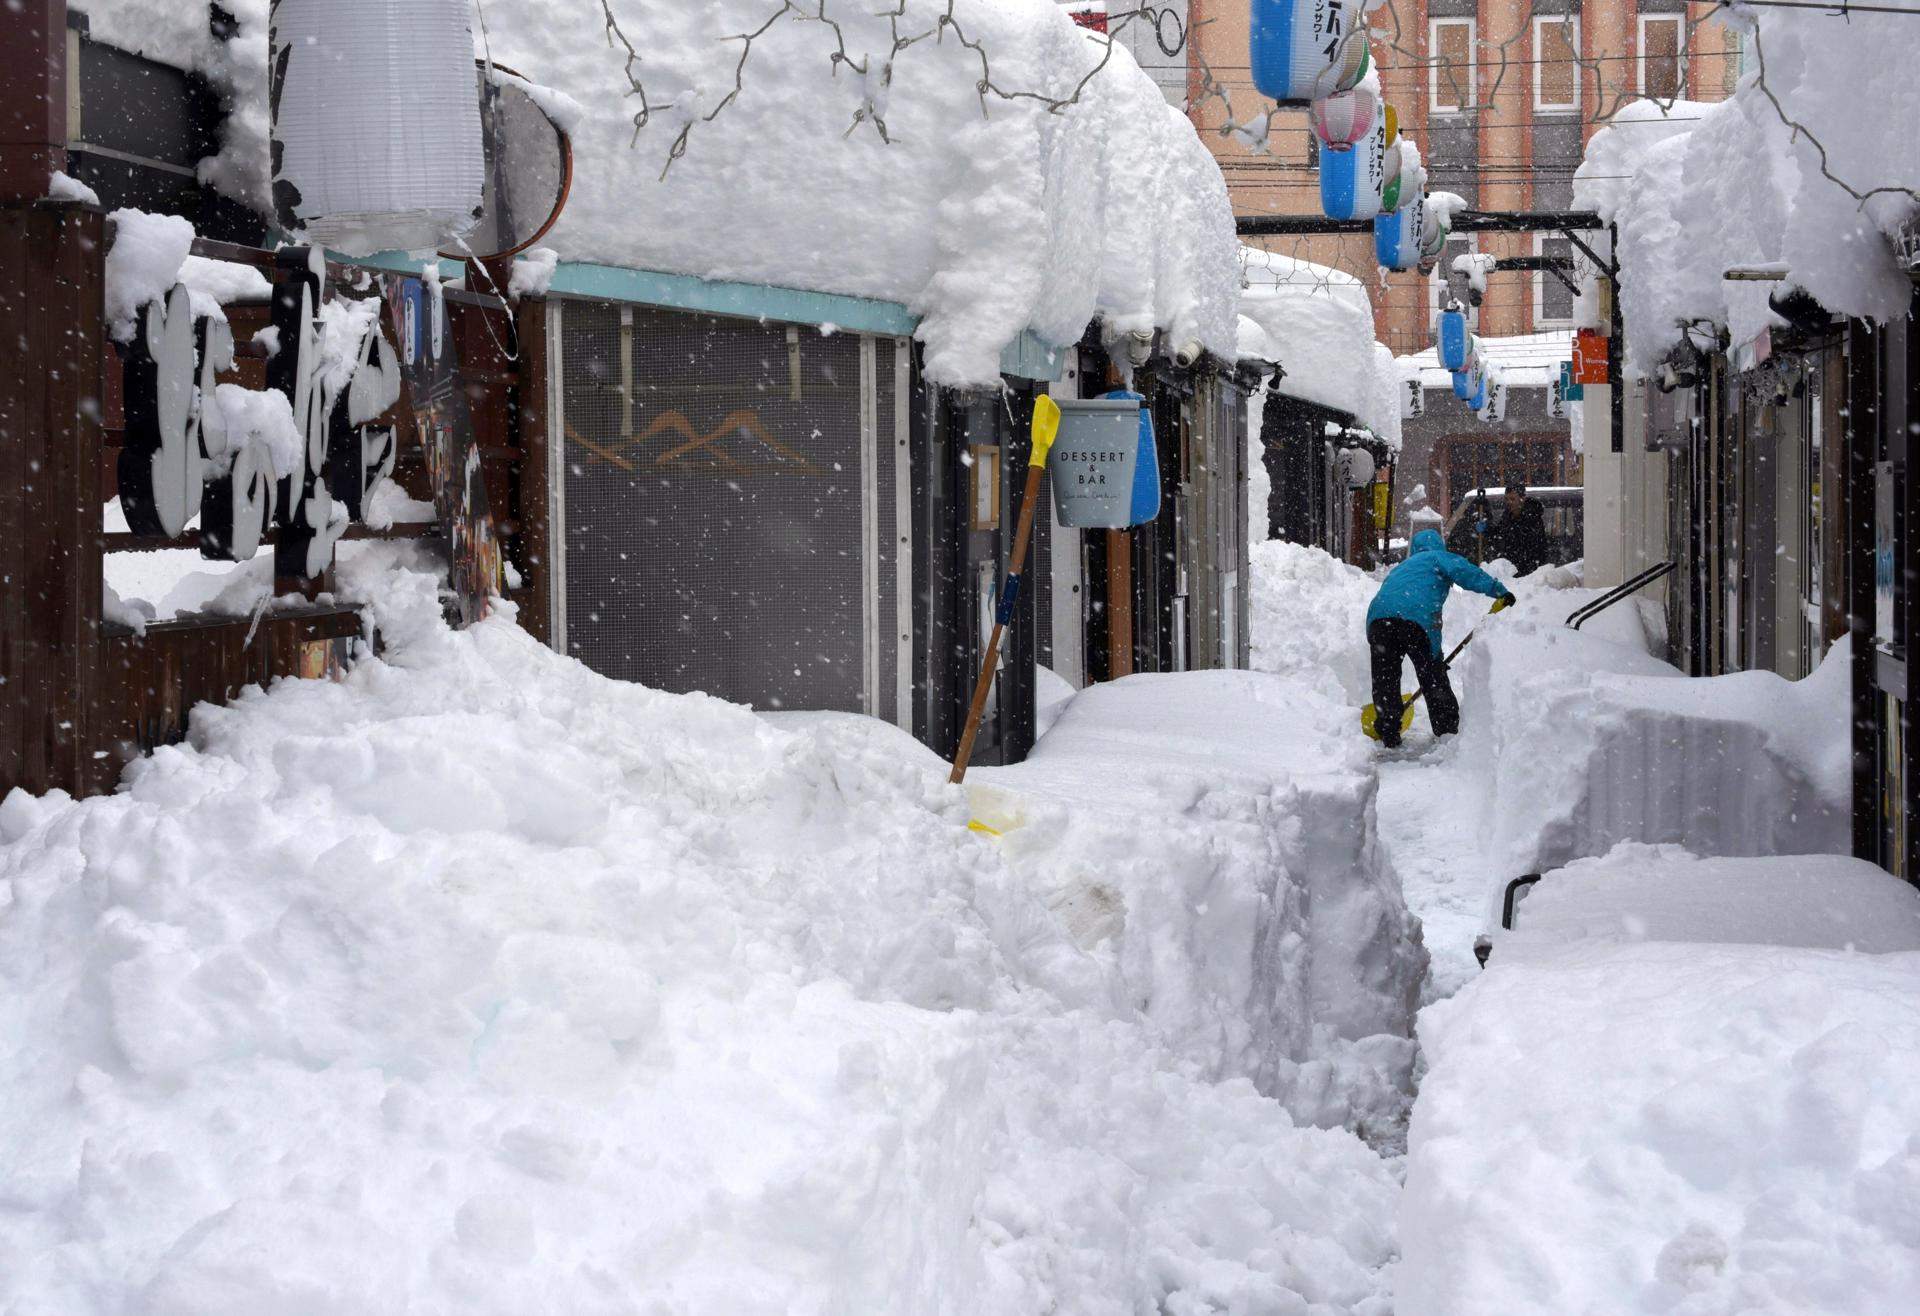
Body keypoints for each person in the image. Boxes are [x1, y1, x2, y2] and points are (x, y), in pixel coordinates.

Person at [1365, 527, 1515, 748]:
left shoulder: (1403, 567)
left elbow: (1391, 596)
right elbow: (1466, 573)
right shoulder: (1438, 557)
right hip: (1415, 617)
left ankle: (1388, 728)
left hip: (1379, 619)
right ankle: (1447, 730)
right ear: (1439, 545)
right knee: (1432, 675)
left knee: (1385, 678)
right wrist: (1498, 590)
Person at [1485, 483, 1548, 575]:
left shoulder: (1532, 518)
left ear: (1522, 499)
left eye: (1512, 499)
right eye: (1506, 499)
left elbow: (1536, 548)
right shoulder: (1507, 516)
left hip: (1529, 574)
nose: (1509, 502)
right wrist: (1486, 529)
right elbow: (1498, 533)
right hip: (1511, 570)